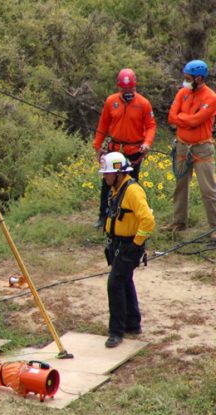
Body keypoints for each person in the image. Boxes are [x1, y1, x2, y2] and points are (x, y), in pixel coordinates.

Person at [100, 152, 155, 348]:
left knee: (115, 284)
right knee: (124, 281)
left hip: (128, 246)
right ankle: (133, 323)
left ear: (119, 173)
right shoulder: (118, 188)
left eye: (107, 174)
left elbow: (148, 220)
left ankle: (116, 331)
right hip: (119, 245)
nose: (104, 177)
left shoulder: (132, 191)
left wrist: (136, 243)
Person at [92, 68, 156, 228]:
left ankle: (131, 216)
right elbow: (103, 125)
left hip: (134, 152)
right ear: (119, 87)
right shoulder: (111, 102)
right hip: (114, 150)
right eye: (124, 89)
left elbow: (150, 125)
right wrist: (97, 146)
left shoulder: (143, 104)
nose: (127, 91)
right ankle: (103, 216)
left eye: (130, 89)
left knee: (131, 185)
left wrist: (147, 143)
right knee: (107, 183)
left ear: (135, 87)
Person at [164, 59, 216, 239]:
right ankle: (179, 222)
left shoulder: (210, 97)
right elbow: (171, 116)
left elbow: (196, 121)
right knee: (180, 186)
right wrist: (186, 119)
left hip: (202, 148)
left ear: (199, 78)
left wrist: (182, 118)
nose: (185, 81)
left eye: (188, 78)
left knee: (208, 189)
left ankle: (214, 227)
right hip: (182, 146)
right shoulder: (182, 93)